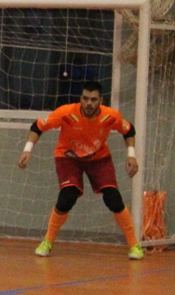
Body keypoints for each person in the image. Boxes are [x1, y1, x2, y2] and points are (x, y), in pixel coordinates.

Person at [17, 81, 143, 259]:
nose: (88, 103)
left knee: (113, 199)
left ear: (101, 100)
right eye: (85, 98)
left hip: (99, 159)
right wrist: (27, 150)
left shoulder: (111, 116)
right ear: (80, 99)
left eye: (93, 99)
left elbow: (129, 130)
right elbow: (37, 126)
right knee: (67, 197)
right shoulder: (66, 113)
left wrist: (131, 155)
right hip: (68, 158)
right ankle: (47, 241)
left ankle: (134, 245)